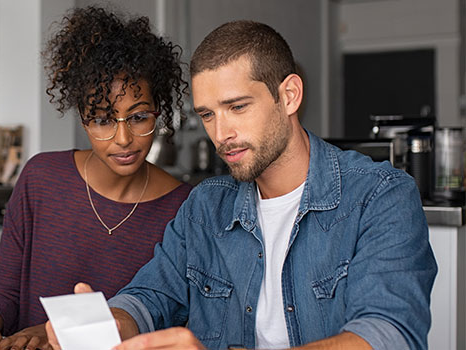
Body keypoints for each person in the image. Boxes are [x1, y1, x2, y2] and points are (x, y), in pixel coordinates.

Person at [47, 20, 437, 350]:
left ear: (288, 96)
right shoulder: (205, 207)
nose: (221, 133)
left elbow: (388, 334)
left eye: (237, 107)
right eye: (207, 114)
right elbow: (151, 296)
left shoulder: (380, 195)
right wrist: (111, 324)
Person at [0, 6, 192, 350]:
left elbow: (164, 316)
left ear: (159, 112)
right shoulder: (40, 178)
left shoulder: (184, 207)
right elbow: (6, 287)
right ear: (83, 120)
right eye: (102, 120)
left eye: (139, 116)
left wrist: (47, 332)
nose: (123, 139)